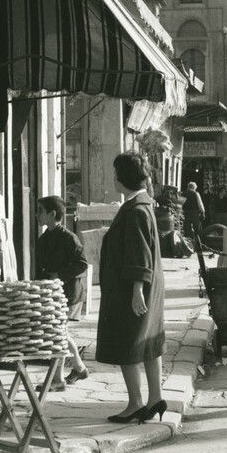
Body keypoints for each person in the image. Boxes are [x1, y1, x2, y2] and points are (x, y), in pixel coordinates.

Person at [96, 152, 167, 423]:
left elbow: (139, 253)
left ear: (123, 177)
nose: (113, 177)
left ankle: (136, 403)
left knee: (127, 341)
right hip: (144, 285)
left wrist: (137, 289)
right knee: (147, 341)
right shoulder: (142, 205)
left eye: (115, 172)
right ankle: (156, 397)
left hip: (132, 288)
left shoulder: (136, 209)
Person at [35, 195, 89, 391]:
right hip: (51, 294)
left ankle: (57, 379)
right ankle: (79, 367)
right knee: (61, 333)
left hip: (68, 293)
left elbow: (82, 264)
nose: (36, 215)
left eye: (40, 211)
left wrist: (60, 275)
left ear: (52, 214)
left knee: (57, 334)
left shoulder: (69, 238)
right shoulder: (43, 239)